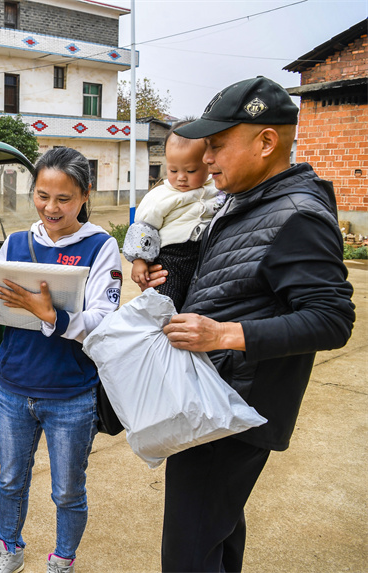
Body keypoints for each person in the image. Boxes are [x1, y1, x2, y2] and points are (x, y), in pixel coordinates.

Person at [149, 76, 355, 572]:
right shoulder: (244, 200)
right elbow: (230, 277)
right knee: (215, 533)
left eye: (217, 146)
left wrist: (222, 335)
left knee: (189, 554)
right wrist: (168, 272)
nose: (207, 159)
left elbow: (332, 318)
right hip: (215, 398)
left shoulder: (296, 215)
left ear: (265, 142)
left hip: (234, 410)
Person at [0, 147, 123, 573]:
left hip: (71, 394)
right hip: (15, 388)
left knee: (67, 489)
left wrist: (50, 316)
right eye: (42, 195)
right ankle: (9, 550)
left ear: (84, 195)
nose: (50, 208)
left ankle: (62, 560)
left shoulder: (100, 246)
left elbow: (102, 320)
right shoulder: (17, 243)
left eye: (63, 198)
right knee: (10, 479)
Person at [123, 120, 224, 310]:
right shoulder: (160, 196)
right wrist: (139, 260)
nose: (181, 177)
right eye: (173, 170)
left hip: (205, 255)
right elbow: (143, 228)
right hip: (171, 260)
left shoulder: (215, 189)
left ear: (208, 163)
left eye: (191, 170)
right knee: (165, 302)